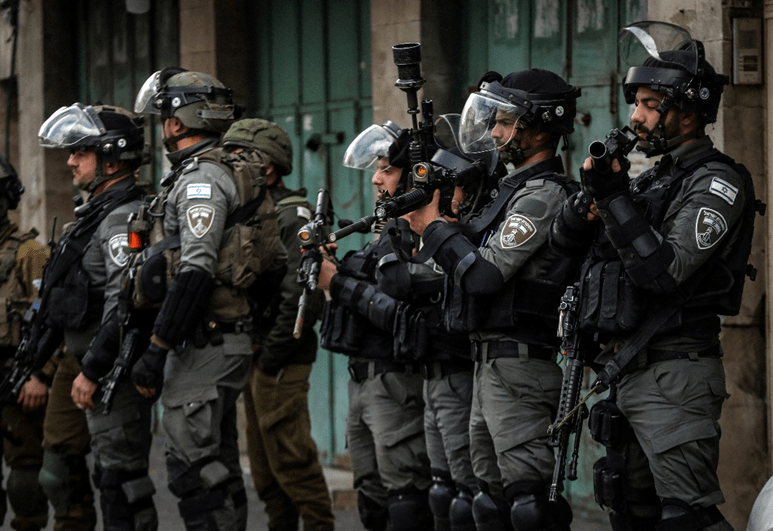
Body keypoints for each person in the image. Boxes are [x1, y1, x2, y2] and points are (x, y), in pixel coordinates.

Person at [549, 21, 757, 531]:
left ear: (685, 111)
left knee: (686, 517)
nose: (635, 116)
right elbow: (565, 247)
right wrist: (590, 201)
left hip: (674, 372)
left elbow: (664, 271)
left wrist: (616, 198)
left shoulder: (717, 182)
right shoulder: (652, 179)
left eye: (647, 103)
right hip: (626, 369)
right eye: (635, 103)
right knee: (630, 509)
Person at [407, 69, 581, 531]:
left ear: (539, 127)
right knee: (488, 505)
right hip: (487, 362)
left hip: (521, 364)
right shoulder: (506, 194)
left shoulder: (542, 196)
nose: (496, 134)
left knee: (528, 506)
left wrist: (435, 227)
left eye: (506, 122)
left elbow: (484, 275)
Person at [131, 67, 277, 531]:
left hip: (206, 346)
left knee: (193, 474)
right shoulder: (216, 172)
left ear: (176, 123)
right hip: (221, 341)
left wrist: (157, 349)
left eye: (163, 118)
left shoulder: (202, 181)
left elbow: (196, 270)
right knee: (219, 468)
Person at [19, 103, 148, 531]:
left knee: (122, 481)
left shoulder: (120, 219)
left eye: (81, 152)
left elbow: (122, 304)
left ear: (111, 159)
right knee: (101, 476)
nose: (71, 160)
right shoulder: (92, 214)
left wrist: (92, 370)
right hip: (86, 362)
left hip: (109, 368)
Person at [317, 121, 433, 531]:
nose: (377, 179)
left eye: (387, 169)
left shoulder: (420, 233)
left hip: (395, 380)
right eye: (376, 170)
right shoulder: (381, 233)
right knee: (372, 497)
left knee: (405, 498)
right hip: (363, 379)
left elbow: (398, 308)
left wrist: (338, 281)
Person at [221, 118, 335, 531]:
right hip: (261, 356)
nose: (227, 167)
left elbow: (300, 297)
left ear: (267, 168)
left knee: (293, 464)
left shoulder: (291, 217)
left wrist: (269, 361)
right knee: (268, 475)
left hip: (280, 359)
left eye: (237, 158)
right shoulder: (251, 212)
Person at [0, 155, 50, 531]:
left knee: (25, 478)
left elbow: (51, 319)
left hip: (15, 376)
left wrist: (38, 374)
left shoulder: (29, 253)